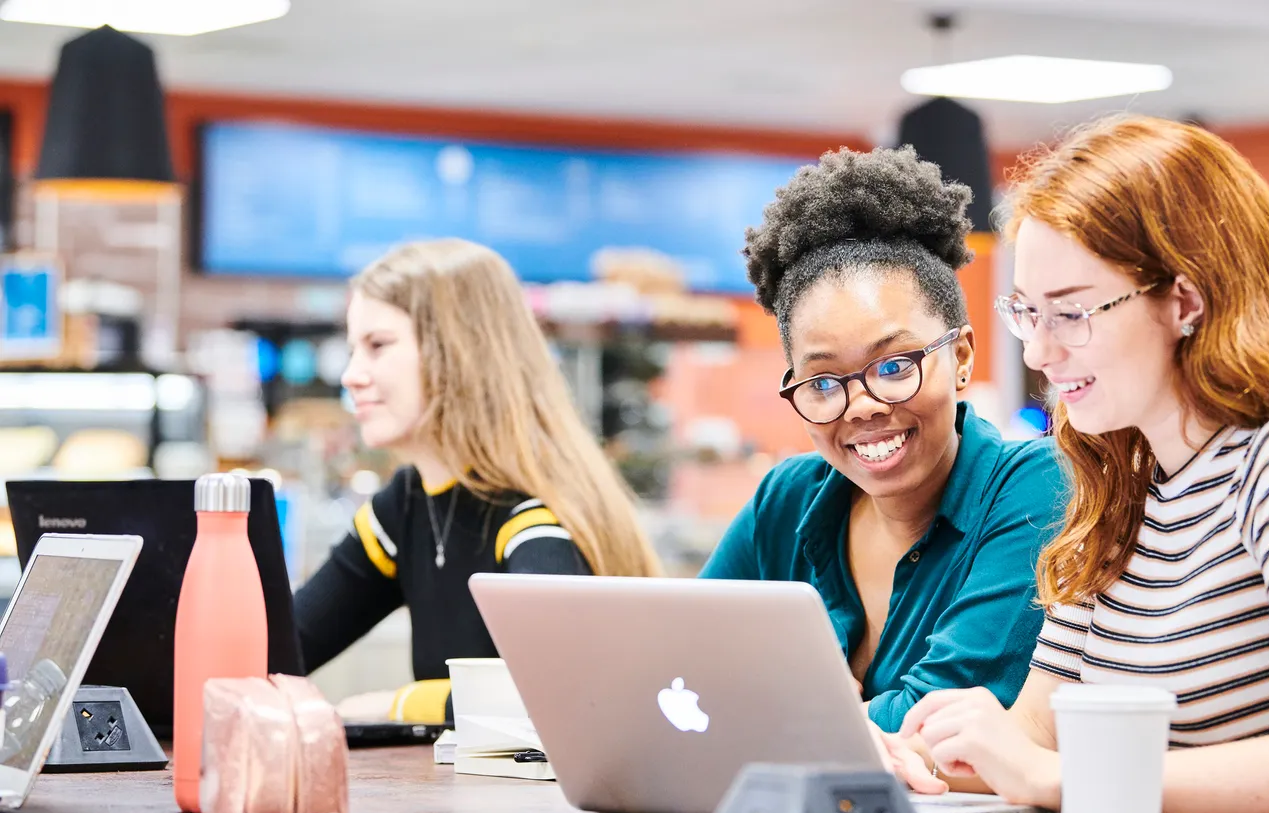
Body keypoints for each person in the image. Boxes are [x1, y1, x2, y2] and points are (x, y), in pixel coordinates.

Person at [886, 115, 1269, 813]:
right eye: (1027, 314)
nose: (1039, 353)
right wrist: (895, 753)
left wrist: (1058, 775)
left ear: (1185, 303)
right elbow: (1033, 742)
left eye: (1070, 314)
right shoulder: (1124, 487)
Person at [700, 147, 1067, 733]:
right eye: (822, 382)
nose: (863, 407)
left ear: (962, 357)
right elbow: (686, 669)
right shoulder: (787, 500)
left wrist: (793, 705)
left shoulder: (1037, 485)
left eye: (894, 366)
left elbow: (939, 717)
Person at [295, 239, 662, 723]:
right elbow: (281, 647)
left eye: (377, 346)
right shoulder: (405, 505)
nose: (351, 375)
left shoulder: (532, 517)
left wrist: (397, 706)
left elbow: (548, 693)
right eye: (351, 350)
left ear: (459, 351)